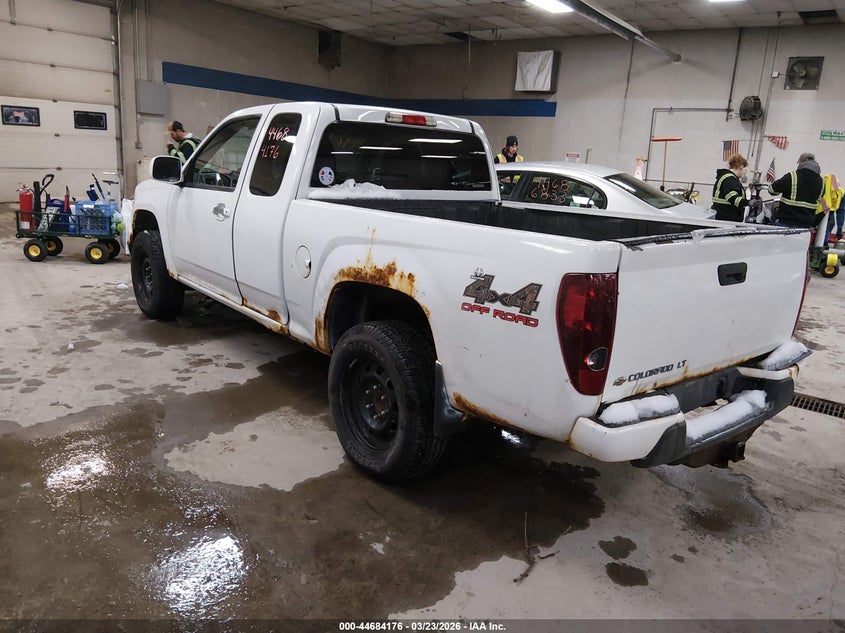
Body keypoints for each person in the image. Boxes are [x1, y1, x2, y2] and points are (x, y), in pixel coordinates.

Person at [768, 152, 824, 229]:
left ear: (801, 162)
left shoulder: (793, 176)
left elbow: (772, 190)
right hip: (806, 226)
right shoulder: (822, 182)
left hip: (786, 222)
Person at [711, 153, 750, 222]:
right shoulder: (730, 180)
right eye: (745, 169)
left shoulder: (726, 177)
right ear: (741, 167)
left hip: (721, 217)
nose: (744, 172)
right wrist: (748, 203)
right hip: (726, 219)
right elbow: (732, 197)